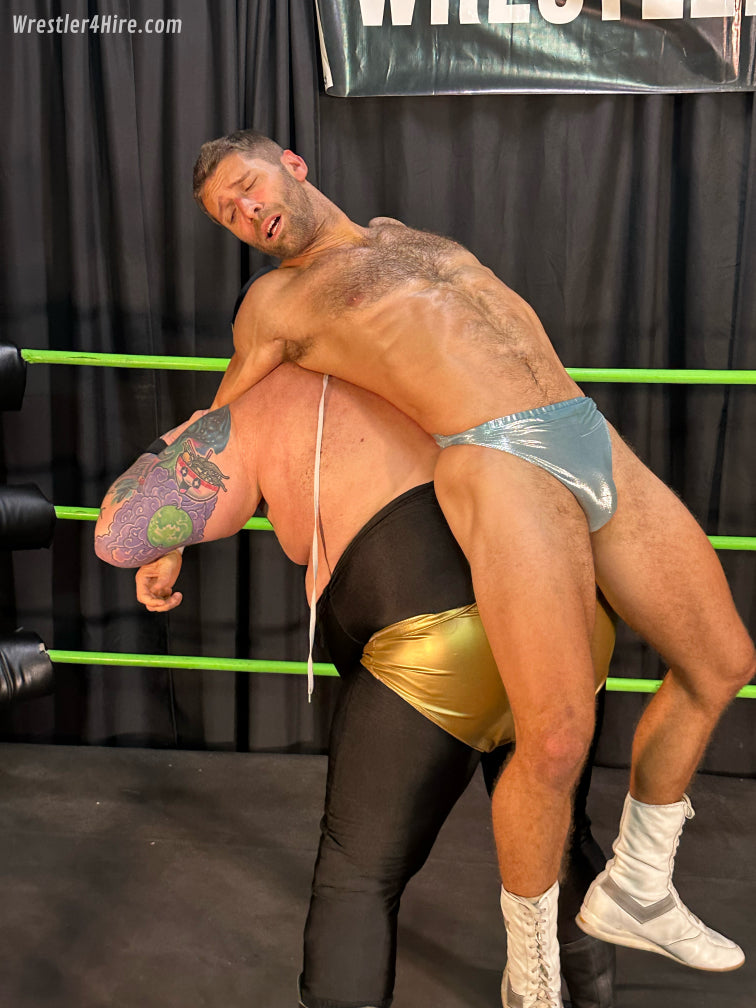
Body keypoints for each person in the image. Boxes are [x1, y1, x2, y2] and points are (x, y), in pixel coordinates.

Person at [189, 129, 755, 1007]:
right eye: (227, 211)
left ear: (291, 165)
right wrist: (167, 537)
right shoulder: (276, 303)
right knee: (555, 739)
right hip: (496, 458)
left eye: (247, 185)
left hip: (583, 430)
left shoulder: (401, 233)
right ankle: (530, 974)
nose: (245, 210)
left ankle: (641, 884)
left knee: (723, 663)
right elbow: (218, 425)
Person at [95, 362, 618, 1008]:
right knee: (558, 835)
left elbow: (118, 534)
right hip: (569, 602)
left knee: (359, 877)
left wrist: (191, 429)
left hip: (439, 635)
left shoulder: (269, 397)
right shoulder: (436, 346)